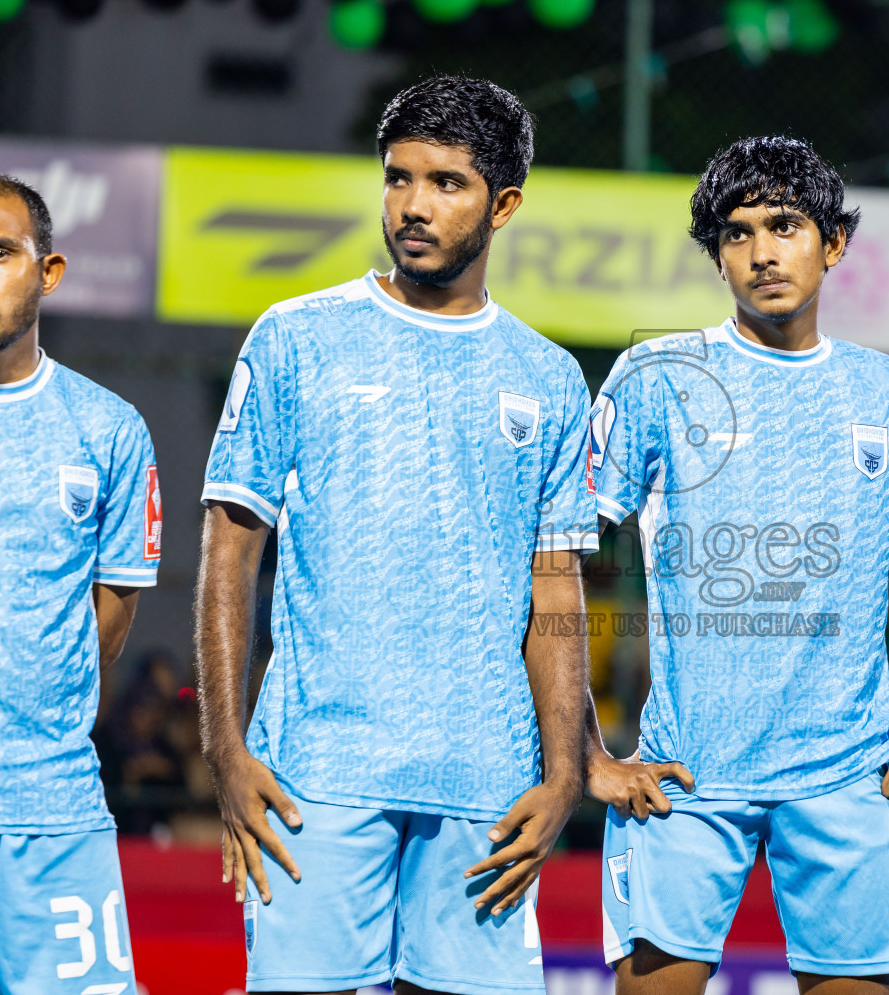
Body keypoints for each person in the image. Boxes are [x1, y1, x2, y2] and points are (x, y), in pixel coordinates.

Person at [194, 76, 595, 995]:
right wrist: (225, 749)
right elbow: (228, 552)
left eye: (446, 183)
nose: (413, 206)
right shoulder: (296, 337)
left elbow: (557, 587)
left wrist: (565, 772)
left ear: (504, 205)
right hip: (316, 773)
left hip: (486, 781)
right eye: (398, 178)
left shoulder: (550, 376)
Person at [586, 136, 889, 994]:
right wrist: (588, 752)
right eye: (737, 232)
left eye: (784, 226)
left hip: (851, 780)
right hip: (685, 776)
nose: (761, 252)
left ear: (832, 242)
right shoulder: (657, 376)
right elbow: (565, 557)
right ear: (716, 255)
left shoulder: (884, 390)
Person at [0, 172, 158, 995]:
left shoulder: (110, 429)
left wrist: (36, 724)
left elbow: (112, 614)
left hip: (52, 806)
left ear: (47, 272)